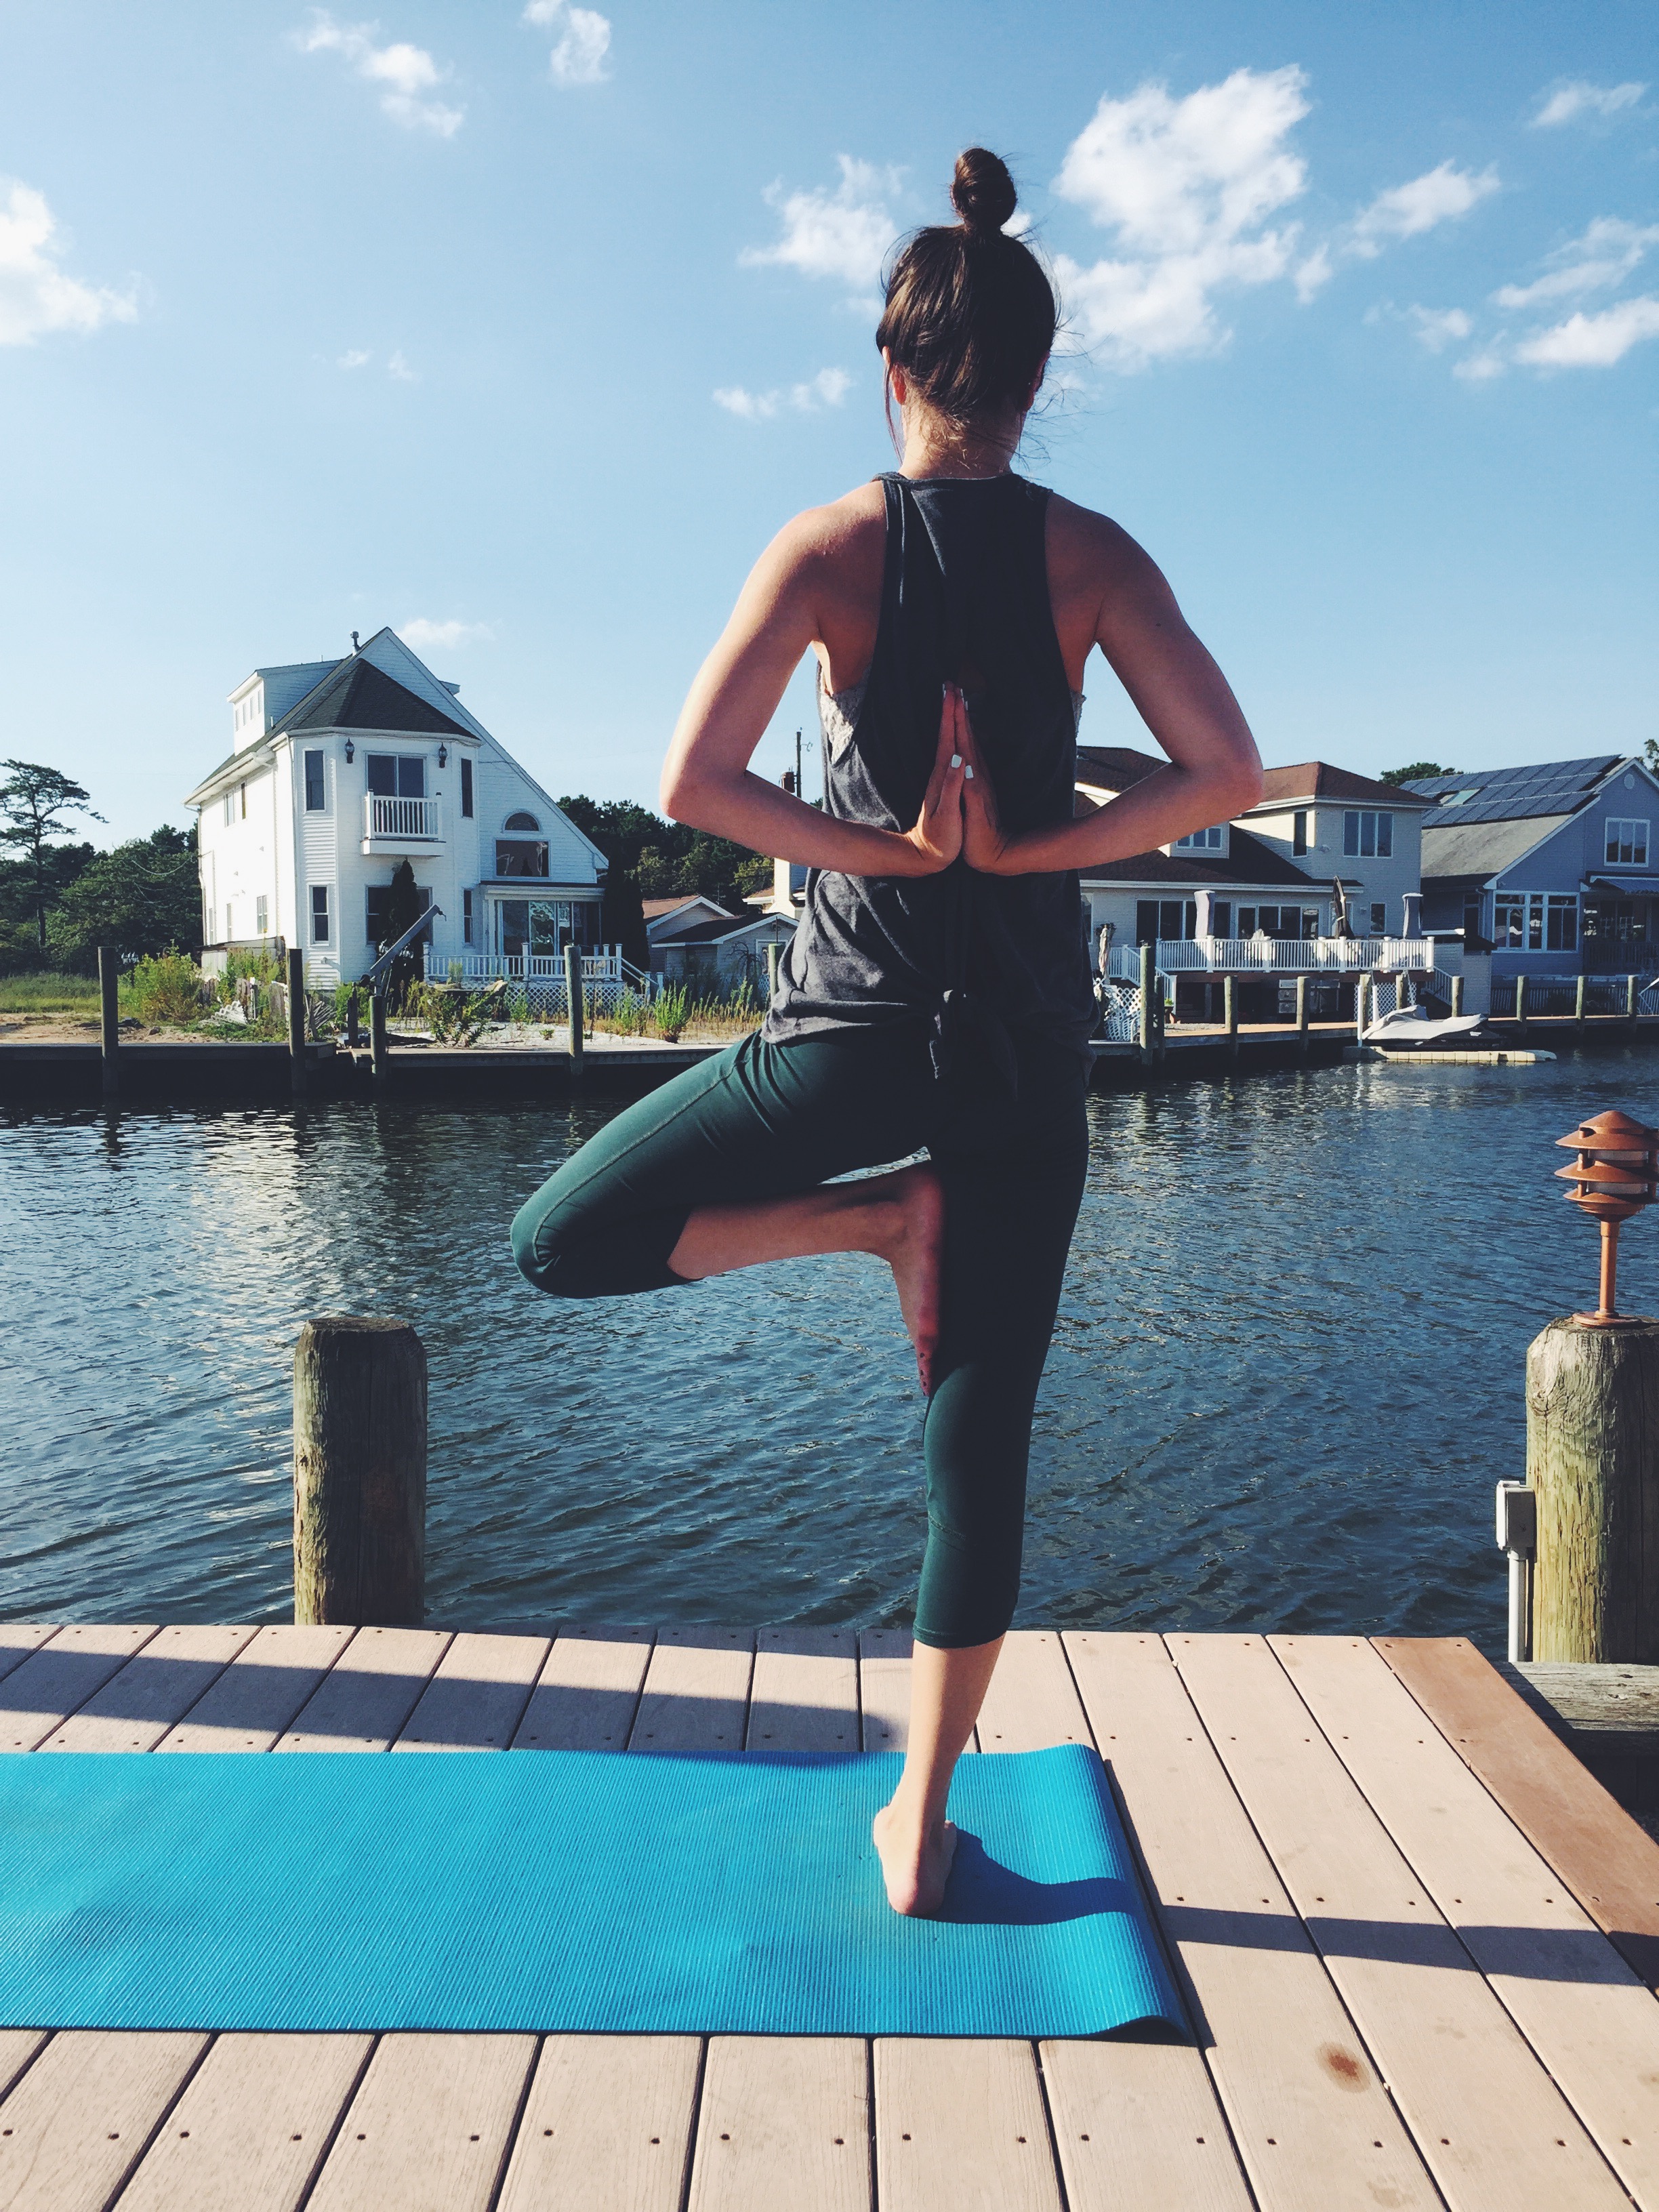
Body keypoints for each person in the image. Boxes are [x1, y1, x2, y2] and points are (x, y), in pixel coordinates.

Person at [512, 148, 1261, 1916]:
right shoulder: (1093, 555)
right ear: (1037, 381)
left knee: (557, 1241)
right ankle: (919, 1828)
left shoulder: (832, 544)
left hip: (848, 1035)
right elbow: (1227, 773)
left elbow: (698, 783)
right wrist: (1031, 845)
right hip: (1026, 1053)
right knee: (976, 1453)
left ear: (891, 368)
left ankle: (867, 1220)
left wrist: (900, 849)